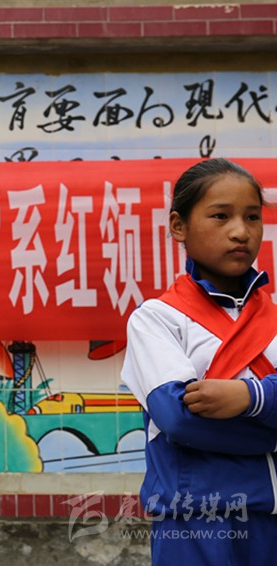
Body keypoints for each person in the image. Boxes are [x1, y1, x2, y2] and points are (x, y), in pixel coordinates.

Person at [121, 158, 277, 564]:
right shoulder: (157, 319)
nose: (241, 231)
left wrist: (250, 397)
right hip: (195, 522)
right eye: (220, 216)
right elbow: (180, 420)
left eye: (252, 217)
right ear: (179, 226)